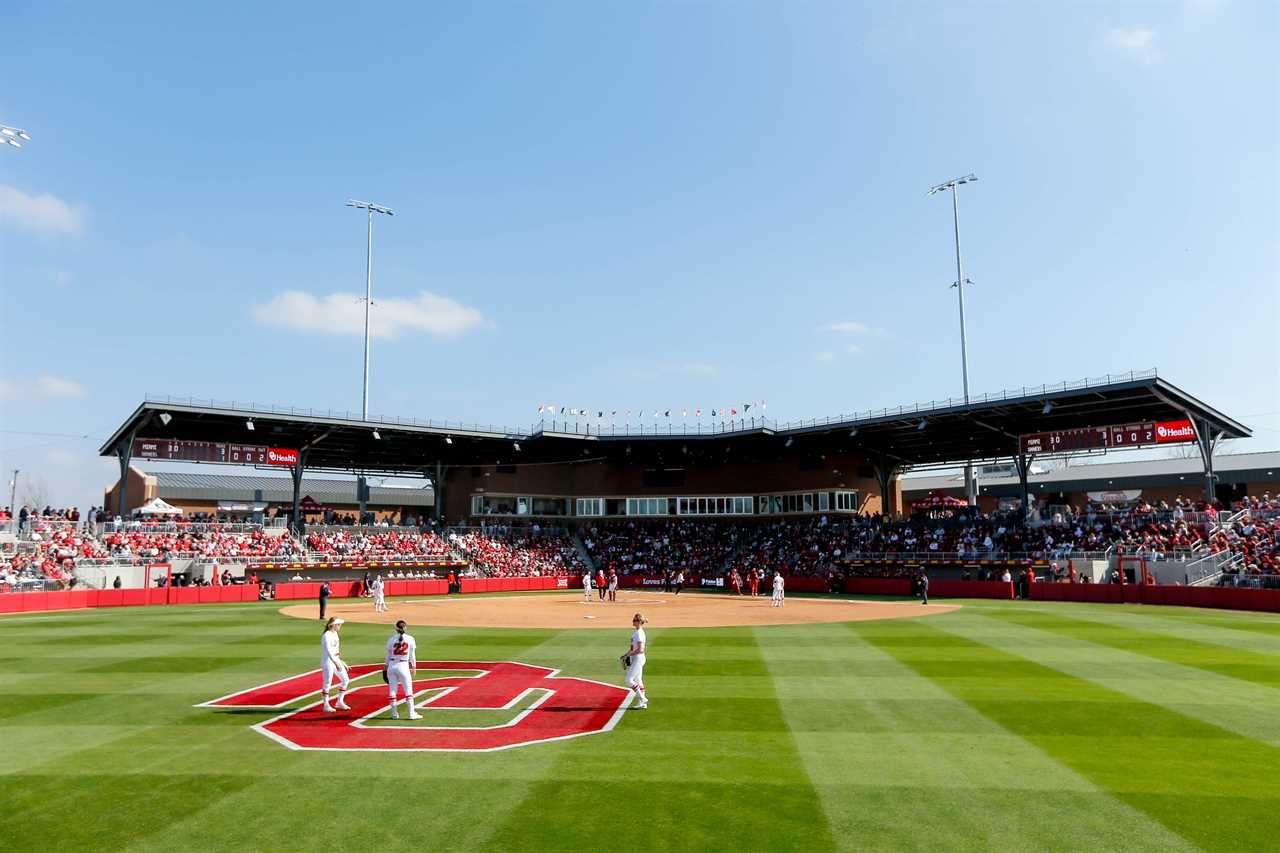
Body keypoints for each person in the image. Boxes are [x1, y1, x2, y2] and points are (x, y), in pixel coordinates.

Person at [385, 619, 421, 720]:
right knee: (408, 690)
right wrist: (414, 666)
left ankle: (394, 714)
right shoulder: (410, 639)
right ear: (405, 628)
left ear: (396, 629)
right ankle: (411, 713)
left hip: (392, 665)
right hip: (403, 665)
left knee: (392, 690)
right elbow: (412, 655)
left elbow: (388, 655)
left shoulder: (391, 639)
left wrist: (385, 667)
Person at [320, 617, 350, 712]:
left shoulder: (335, 634)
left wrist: (341, 662)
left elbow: (335, 650)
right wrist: (336, 663)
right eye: (338, 624)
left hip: (335, 659)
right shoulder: (326, 635)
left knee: (345, 680)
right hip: (328, 661)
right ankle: (326, 705)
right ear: (333, 625)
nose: (340, 626)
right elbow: (329, 651)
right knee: (327, 683)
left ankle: (339, 702)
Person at [624, 612, 648, 710]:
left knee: (629, 680)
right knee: (638, 680)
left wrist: (630, 654)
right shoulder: (636, 632)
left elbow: (640, 649)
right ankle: (642, 703)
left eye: (634, 620)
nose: (632, 621)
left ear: (638, 622)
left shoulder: (639, 634)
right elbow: (633, 647)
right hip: (636, 658)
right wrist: (625, 655)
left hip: (638, 658)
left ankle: (643, 698)